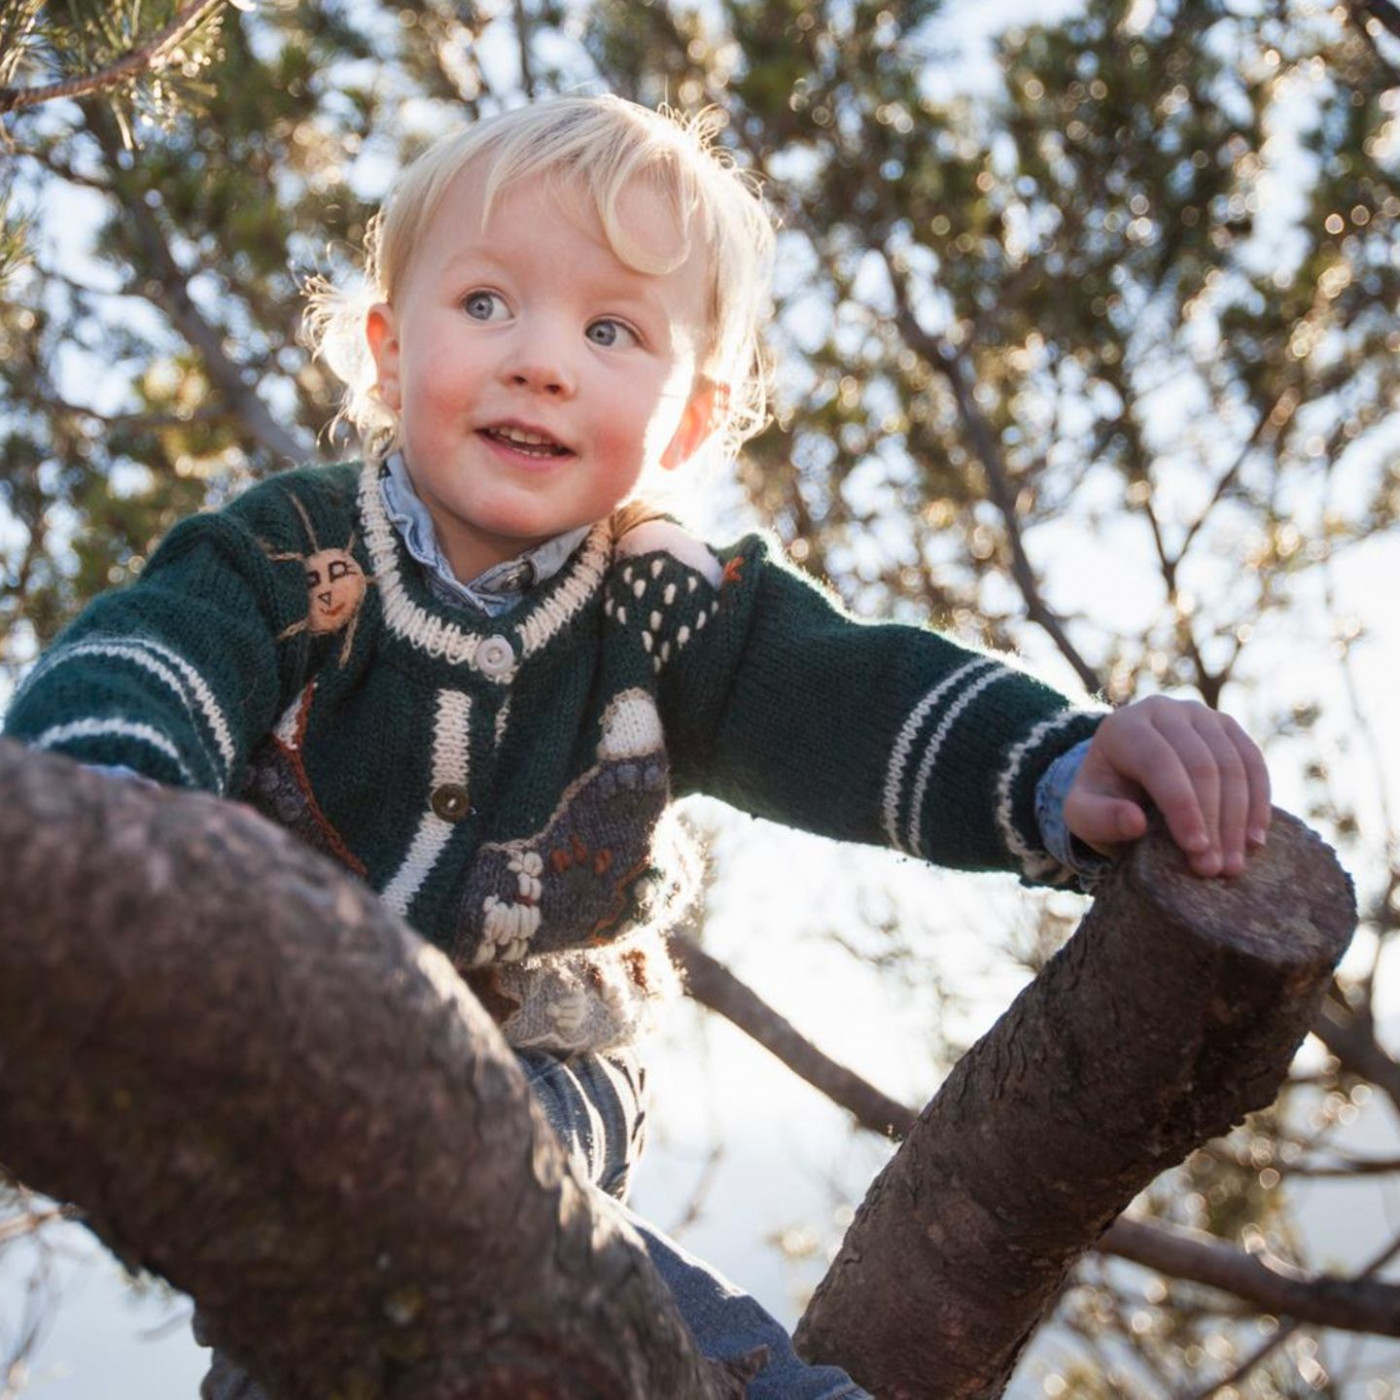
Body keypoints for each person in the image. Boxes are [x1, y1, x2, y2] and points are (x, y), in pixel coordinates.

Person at [3, 95, 1271, 1399]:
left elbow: (859, 701)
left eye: (610, 329)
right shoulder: (294, 554)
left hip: (555, 1068)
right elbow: (152, 663)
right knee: (321, 1303)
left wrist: (1063, 772)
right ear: (387, 354)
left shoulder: (669, 605)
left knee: (506, 1244)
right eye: (487, 303)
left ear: (681, 424)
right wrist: (104, 809)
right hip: (282, 1067)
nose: (540, 360)